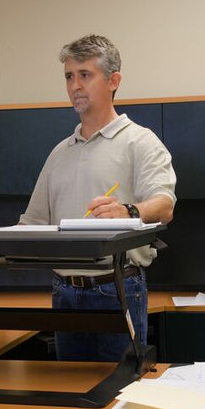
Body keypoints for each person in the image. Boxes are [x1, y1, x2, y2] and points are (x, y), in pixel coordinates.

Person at [19, 34, 176, 362]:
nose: (75, 85)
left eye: (85, 75)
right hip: (64, 292)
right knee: (71, 392)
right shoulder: (59, 153)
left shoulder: (140, 142)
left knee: (118, 394)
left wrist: (128, 211)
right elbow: (30, 224)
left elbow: (164, 206)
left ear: (113, 80)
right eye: (69, 76)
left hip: (115, 287)